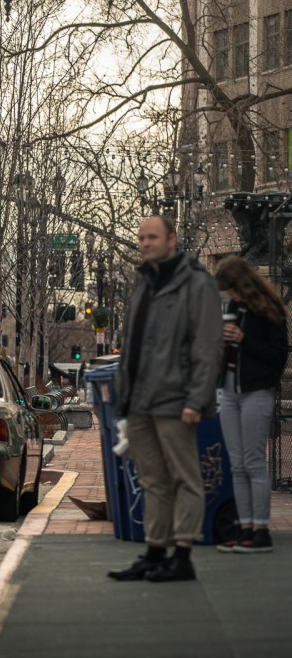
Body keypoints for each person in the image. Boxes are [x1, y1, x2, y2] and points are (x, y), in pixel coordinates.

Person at [109, 216, 223, 583]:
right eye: (140, 237)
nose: (144, 243)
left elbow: (207, 346)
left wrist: (196, 398)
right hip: (140, 398)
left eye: (152, 236)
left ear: (172, 239)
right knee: (152, 479)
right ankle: (155, 551)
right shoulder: (144, 280)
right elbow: (133, 342)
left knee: (185, 478)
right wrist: (123, 393)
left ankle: (183, 555)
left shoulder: (197, 283)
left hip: (175, 399)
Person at [213, 256, 288, 554]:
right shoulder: (235, 309)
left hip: (256, 390)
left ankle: (260, 529)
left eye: (232, 289)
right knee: (237, 463)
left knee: (254, 460)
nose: (230, 296)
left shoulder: (269, 313)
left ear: (243, 285)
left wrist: (243, 339)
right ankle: (245, 526)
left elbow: (277, 357)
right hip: (230, 390)